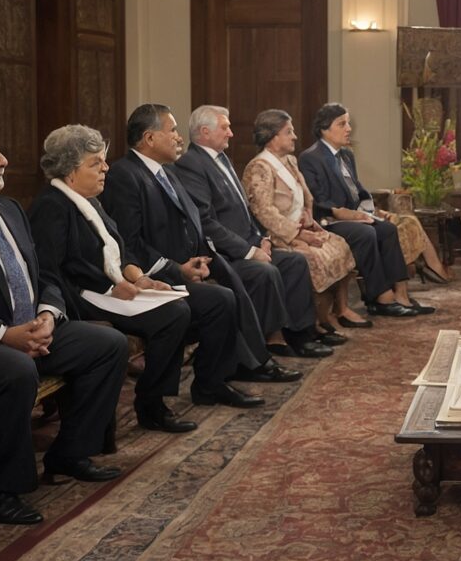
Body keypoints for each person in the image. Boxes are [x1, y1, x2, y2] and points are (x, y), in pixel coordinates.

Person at [0, 120, 127, 525]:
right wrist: (3, 335)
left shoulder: (10, 209)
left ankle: (69, 454)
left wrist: (47, 315)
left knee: (108, 345)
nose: (4, 160)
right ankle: (3, 489)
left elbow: (44, 275)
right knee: (14, 369)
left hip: (26, 328)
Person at [102, 103, 291, 403]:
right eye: (173, 130)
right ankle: (214, 380)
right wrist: (178, 269)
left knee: (230, 284)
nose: (179, 138)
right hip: (156, 274)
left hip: (191, 261)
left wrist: (201, 259)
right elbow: (131, 243)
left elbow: (193, 223)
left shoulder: (167, 172)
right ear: (150, 139)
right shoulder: (125, 175)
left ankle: (228, 374)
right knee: (222, 300)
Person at [29, 124, 205, 435]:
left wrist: (139, 279)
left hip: (109, 291)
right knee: (172, 316)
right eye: (95, 163)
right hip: (80, 300)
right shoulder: (52, 206)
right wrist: (109, 288)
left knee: (179, 306)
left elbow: (116, 252)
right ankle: (150, 404)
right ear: (70, 171)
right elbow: (51, 272)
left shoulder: (90, 200)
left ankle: (153, 399)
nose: (106, 168)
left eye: (103, 161)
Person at [175, 106, 332, 360]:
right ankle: (268, 344)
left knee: (294, 262)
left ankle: (300, 335)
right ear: (204, 132)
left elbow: (248, 210)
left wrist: (263, 239)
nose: (231, 133)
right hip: (223, 254)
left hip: (249, 242)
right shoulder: (191, 165)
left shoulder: (221, 158)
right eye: (225, 127)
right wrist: (249, 251)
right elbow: (206, 222)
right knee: (264, 272)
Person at [299, 102, 434, 321]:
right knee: (367, 234)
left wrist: (370, 212)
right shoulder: (310, 157)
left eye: (348, 123)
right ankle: (380, 297)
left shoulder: (346, 155)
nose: (349, 128)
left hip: (354, 216)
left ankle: (401, 295)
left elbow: (358, 190)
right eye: (342, 123)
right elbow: (317, 199)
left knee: (388, 229)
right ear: (325, 128)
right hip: (330, 219)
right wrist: (345, 213)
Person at [241, 109, 360, 332]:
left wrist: (308, 219)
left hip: (302, 227)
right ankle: (314, 322)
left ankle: (334, 311)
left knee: (338, 245)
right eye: (289, 132)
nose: (295, 136)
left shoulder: (290, 161)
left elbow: (305, 197)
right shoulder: (259, 167)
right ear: (273, 136)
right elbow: (264, 212)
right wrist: (296, 236)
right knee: (315, 257)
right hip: (278, 235)